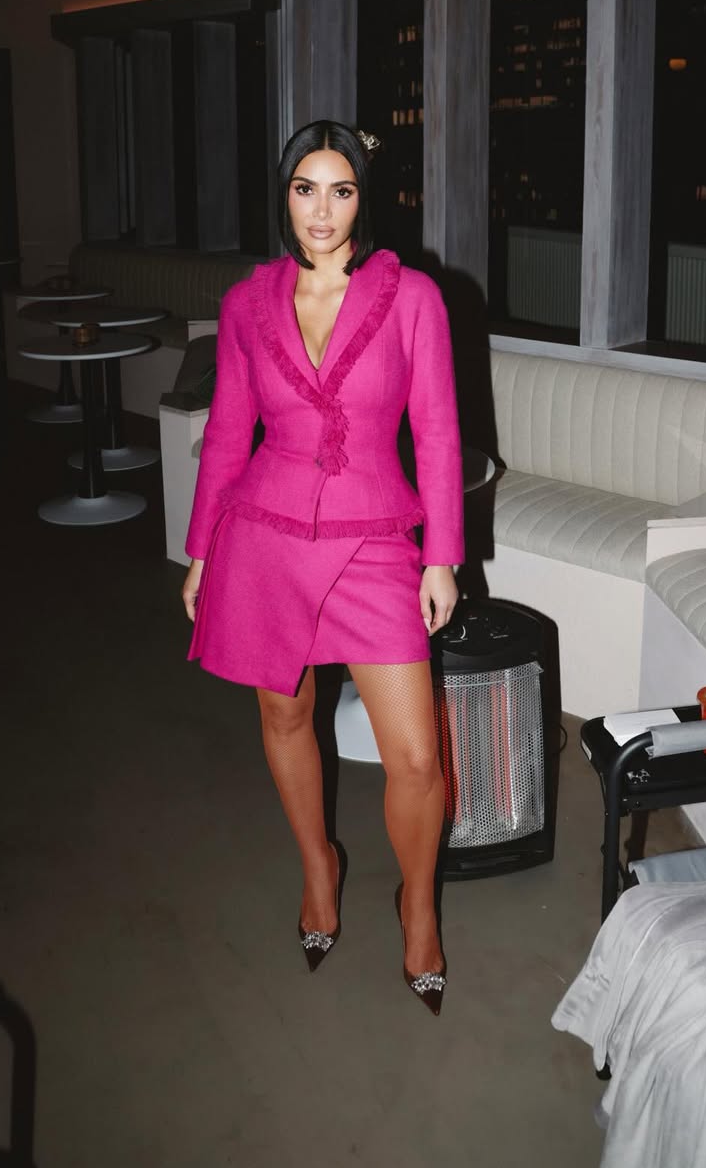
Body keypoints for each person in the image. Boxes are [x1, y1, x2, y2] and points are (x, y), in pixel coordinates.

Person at [181, 119, 464, 1014]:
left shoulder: (412, 296)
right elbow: (228, 431)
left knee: (415, 755)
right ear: (285, 195)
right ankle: (319, 867)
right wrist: (200, 551)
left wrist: (442, 556)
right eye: (306, 188)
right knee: (284, 710)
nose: (322, 209)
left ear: (362, 201)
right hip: (264, 533)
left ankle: (418, 902)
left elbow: (439, 431)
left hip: (376, 536)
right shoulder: (246, 303)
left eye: (341, 190)